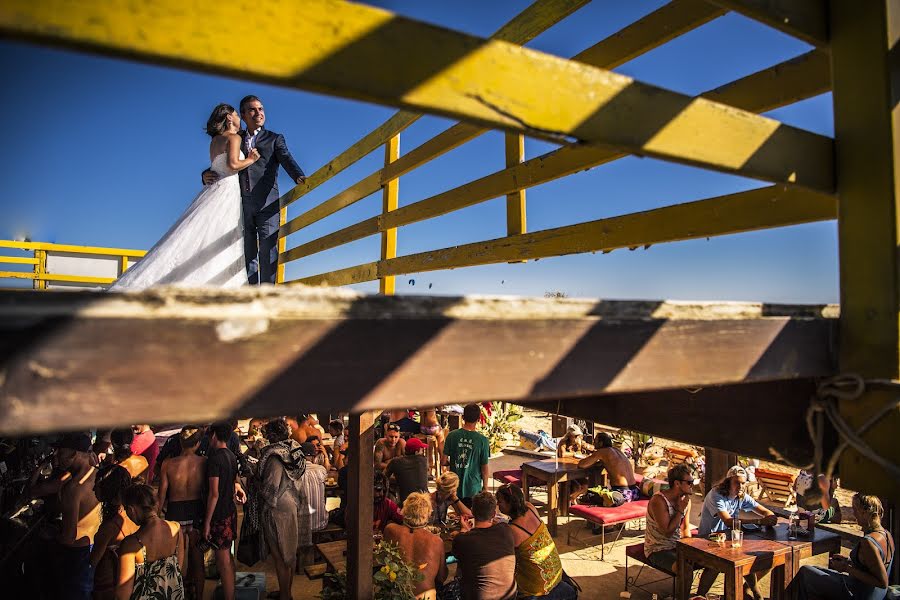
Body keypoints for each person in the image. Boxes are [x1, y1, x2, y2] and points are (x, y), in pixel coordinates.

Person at [111, 103, 257, 290]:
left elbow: (216, 167)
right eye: (236, 114)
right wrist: (251, 159)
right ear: (229, 117)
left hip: (212, 191)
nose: (238, 118)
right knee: (219, 236)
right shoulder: (234, 138)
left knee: (199, 234)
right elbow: (233, 165)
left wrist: (205, 175)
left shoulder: (215, 141)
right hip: (226, 192)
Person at [201, 95, 305, 284]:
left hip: (267, 203)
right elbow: (224, 161)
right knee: (247, 253)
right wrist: (204, 174)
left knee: (267, 250)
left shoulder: (274, 138)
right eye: (253, 109)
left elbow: (286, 158)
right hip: (240, 205)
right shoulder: (234, 137)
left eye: (261, 109)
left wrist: (298, 175)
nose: (259, 113)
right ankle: (250, 295)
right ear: (243, 114)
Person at [30, 432, 102, 600]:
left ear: (74, 454)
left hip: (77, 554)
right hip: (94, 546)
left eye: (60, 452)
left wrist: (51, 535)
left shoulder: (74, 488)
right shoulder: (96, 474)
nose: (56, 455)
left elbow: (69, 537)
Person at [789, 493, 894, 600]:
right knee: (815, 570)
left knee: (805, 573)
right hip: (874, 594)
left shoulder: (868, 542)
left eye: (855, 510)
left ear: (865, 512)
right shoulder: (887, 535)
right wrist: (848, 561)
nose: (853, 514)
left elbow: (882, 582)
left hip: (858, 593)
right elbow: (870, 566)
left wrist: (846, 568)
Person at [696, 465, 777, 599]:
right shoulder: (716, 494)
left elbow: (764, 511)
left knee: (763, 558)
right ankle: (700, 595)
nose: (740, 486)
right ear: (728, 482)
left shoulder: (740, 496)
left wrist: (770, 517)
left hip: (728, 538)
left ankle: (750, 591)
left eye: (742, 483)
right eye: (736, 483)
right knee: (717, 563)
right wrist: (759, 521)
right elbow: (728, 521)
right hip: (708, 538)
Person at [495, 484, 576, 600]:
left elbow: (502, 556)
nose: (498, 505)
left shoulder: (512, 531)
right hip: (556, 575)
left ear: (510, 503)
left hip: (538, 589)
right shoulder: (530, 507)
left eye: (500, 502)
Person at [256, 419, 306, 600]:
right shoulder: (295, 451)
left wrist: (255, 483)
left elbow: (271, 489)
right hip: (292, 503)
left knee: (280, 556)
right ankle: (287, 593)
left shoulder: (275, 456)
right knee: (289, 554)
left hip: (278, 508)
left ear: (271, 436)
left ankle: (285, 596)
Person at [157, 426, 206, 599]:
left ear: (180, 442)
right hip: (196, 511)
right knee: (197, 558)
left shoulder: (168, 464)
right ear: (198, 443)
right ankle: (198, 596)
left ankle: (176, 594)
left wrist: (155, 517)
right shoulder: (203, 462)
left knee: (174, 559)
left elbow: (161, 495)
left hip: (174, 513)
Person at [116, 484, 185, 599]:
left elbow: (122, 594)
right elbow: (178, 569)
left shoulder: (131, 544)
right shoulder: (176, 529)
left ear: (131, 509)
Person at [451, 491, 517, 600]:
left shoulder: (463, 539)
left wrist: (463, 530)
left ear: (472, 511)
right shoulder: (506, 530)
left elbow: (457, 552)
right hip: (509, 596)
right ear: (494, 514)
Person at [384, 492, 448, 600]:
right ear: (427, 515)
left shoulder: (390, 530)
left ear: (404, 511)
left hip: (397, 596)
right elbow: (441, 578)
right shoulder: (437, 541)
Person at [204, 421, 241, 600]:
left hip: (219, 513)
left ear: (213, 435)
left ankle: (229, 597)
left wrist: (207, 522)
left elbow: (214, 494)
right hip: (230, 510)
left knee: (223, 558)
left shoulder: (215, 458)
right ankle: (230, 593)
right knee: (227, 555)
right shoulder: (231, 456)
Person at [91, 465, 140, 600]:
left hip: (107, 587)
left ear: (108, 490)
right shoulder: (133, 516)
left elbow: (93, 562)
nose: (93, 489)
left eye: (97, 485)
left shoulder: (109, 527)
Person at [643, 464, 695, 574]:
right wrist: (680, 510)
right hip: (658, 549)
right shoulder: (659, 501)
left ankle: (700, 592)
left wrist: (689, 549)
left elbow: (685, 529)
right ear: (677, 483)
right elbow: (667, 532)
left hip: (677, 545)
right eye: (689, 482)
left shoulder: (686, 500)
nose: (692, 485)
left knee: (715, 562)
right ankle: (682, 592)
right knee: (685, 570)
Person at [443, 404, 490, 504]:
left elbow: (443, 461)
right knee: (471, 517)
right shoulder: (483, 441)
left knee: (456, 517)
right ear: (478, 419)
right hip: (473, 489)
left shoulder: (451, 436)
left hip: (454, 487)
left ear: (463, 417)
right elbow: (484, 467)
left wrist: (451, 463)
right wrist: (485, 487)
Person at [577, 432, 640, 502]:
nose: (593, 443)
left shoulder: (602, 451)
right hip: (635, 492)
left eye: (595, 441)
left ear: (601, 443)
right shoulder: (617, 450)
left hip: (621, 494)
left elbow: (582, 465)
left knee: (585, 495)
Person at [298, 441, 329, 560]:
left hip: (301, 525)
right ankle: (316, 551)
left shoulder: (295, 472)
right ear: (314, 456)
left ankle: (301, 554)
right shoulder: (321, 470)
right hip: (320, 522)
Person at [557, 424, 594, 506]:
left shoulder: (579, 441)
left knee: (585, 485)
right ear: (570, 435)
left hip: (577, 467)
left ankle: (572, 498)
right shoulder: (563, 442)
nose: (577, 437)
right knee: (575, 486)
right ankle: (569, 500)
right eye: (575, 436)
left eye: (578, 435)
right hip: (565, 468)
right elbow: (563, 454)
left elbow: (589, 447)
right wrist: (574, 453)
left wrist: (591, 448)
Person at [386, 437, 429, 506]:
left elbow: (384, 477)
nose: (422, 452)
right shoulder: (423, 460)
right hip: (425, 503)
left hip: (405, 504)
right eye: (421, 450)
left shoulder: (395, 462)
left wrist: (400, 479)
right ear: (416, 452)